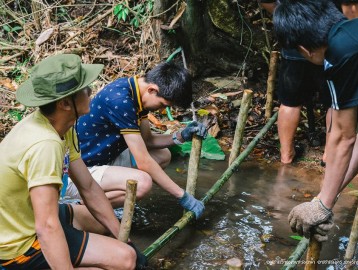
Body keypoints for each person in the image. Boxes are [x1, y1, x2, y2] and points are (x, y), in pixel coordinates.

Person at [0, 54, 146, 269]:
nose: (91, 91)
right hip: (17, 243)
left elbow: (88, 186)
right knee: (125, 259)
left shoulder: (61, 126)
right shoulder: (44, 144)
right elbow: (47, 227)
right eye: (85, 89)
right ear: (66, 103)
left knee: (102, 224)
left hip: (27, 216)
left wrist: (124, 238)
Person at [65, 61, 207, 218]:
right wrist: (183, 196)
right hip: (78, 173)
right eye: (162, 104)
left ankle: (108, 196)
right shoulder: (120, 101)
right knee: (142, 184)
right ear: (152, 90)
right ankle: (81, 207)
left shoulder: (135, 90)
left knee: (163, 155)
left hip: (102, 159)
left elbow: (147, 141)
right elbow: (143, 162)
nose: (160, 110)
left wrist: (181, 136)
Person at [273, 0, 358, 241]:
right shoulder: (354, 33)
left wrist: (322, 204)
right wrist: (325, 199)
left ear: (304, 49)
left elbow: (344, 136)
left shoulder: (338, 55)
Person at [259, 0, 331, 164]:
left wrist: (287, 19)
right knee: (333, 103)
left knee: (290, 102)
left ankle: (286, 155)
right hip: (325, 42)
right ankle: (330, 155)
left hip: (295, 41)